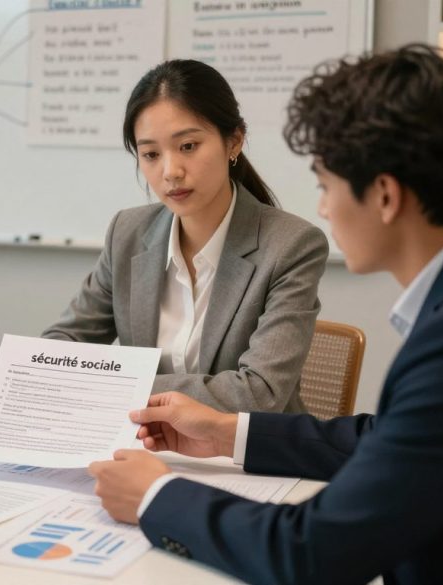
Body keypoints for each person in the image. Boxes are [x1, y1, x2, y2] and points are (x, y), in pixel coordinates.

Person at [88, 44, 443, 584]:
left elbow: (315, 551)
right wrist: (227, 432)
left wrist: (156, 496)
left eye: (325, 184)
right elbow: (388, 437)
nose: (321, 207)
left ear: (384, 195)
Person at [42, 59, 328, 413]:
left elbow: (259, 393)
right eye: (150, 154)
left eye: (188, 146)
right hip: (142, 448)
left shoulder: (291, 246)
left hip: (243, 459)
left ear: (234, 141)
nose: (170, 171)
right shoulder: (127, 233)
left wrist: (117, 383)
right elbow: (60, 346)